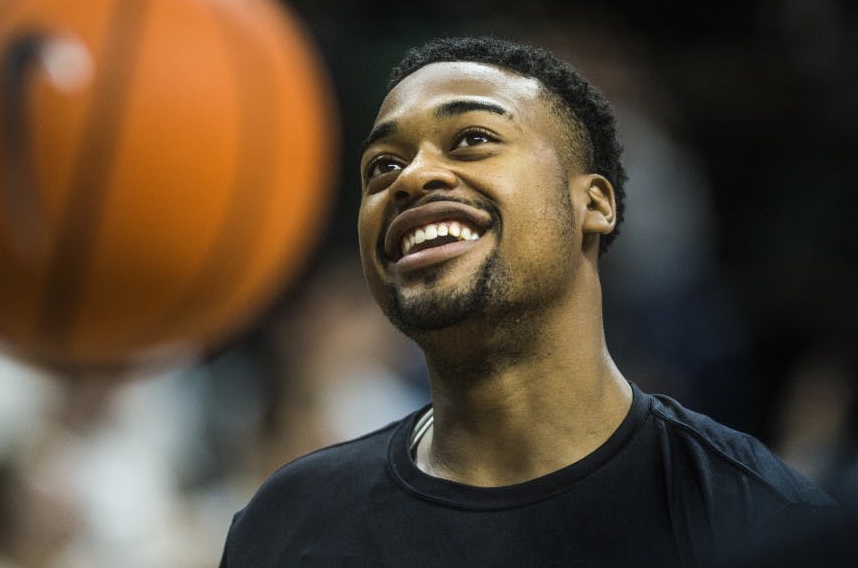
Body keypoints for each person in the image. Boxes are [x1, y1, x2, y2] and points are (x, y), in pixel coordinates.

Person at [219, 36, 836, 567]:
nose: (410, 177)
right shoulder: (284, 525)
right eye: (381, 166)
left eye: (473, 139)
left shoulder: (759, 519)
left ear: (594, 203)